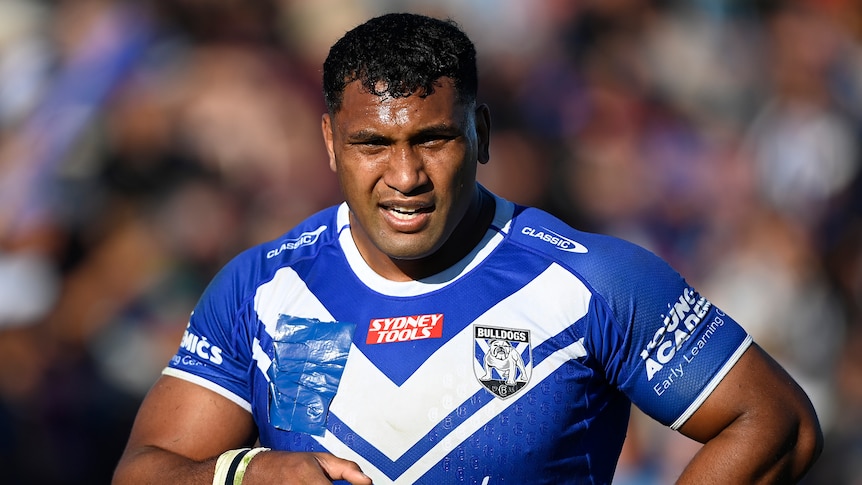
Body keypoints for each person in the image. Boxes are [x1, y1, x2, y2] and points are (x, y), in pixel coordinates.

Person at [112, 12, 823, 485]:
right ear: (331, 142)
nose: (405, 175)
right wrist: (243, 472)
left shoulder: (589, 278)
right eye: (372, 144)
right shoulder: (263, 289)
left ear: (479, 131)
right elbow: (146, 470)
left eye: (432, 138)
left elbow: (774, 421)